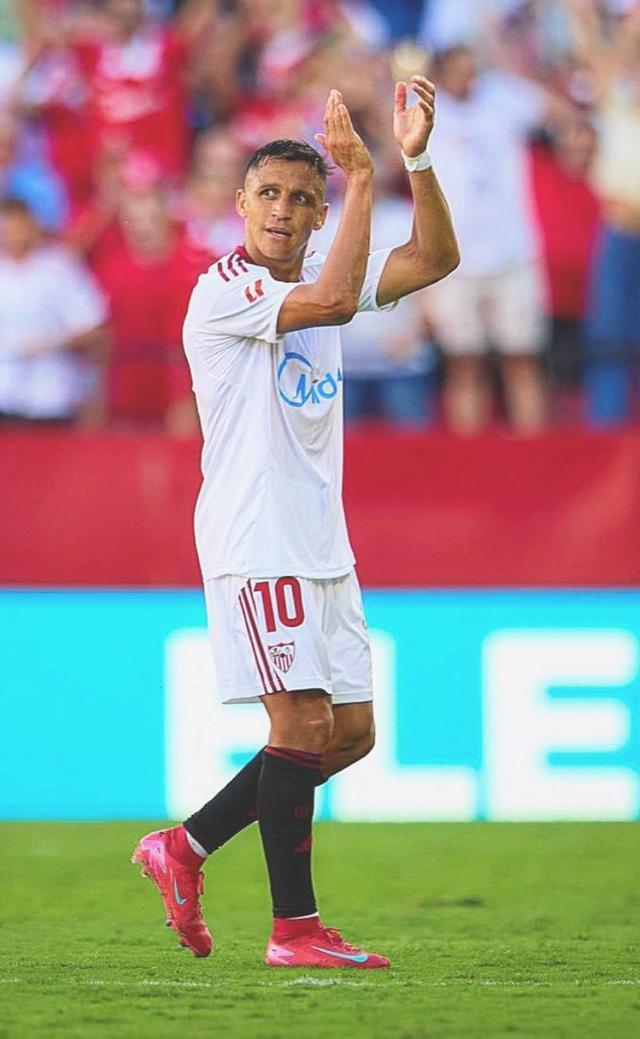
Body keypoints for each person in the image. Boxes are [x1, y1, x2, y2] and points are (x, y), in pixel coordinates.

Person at [132, 78, 459, 968]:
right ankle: (295, 931)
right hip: (256, 536)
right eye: (269, 193)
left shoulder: (323, 272)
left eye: (302, 197)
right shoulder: (224, 292)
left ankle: (186, 845)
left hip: (322, 542)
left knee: (349, 733)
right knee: (304, 724)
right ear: (240, 203)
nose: (282, 209)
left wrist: (416, 159)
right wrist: (362, 179)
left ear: (318, 217)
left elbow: (434, 257)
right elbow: (337, 302)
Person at [0, 197, 108, 424]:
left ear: (31, 226)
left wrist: (50, 343)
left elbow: (93, 327)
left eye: (17, 226)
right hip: (5, 393)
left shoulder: (59, 268)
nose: (11, 235)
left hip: (50, 395)